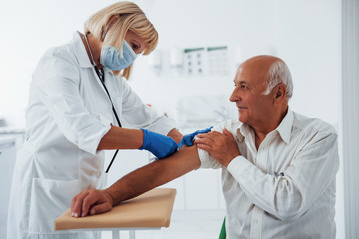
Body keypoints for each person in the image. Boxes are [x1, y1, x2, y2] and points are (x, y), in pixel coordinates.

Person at [71, 55, 339, 238]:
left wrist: (232, 159)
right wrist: (110, 195)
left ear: (278, 94)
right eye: (234, 86)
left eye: (243, 87)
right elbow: (166, 170)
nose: (233, 97)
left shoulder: (318, 136)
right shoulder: (229, 133)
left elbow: (287, 203)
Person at [7, 1, 184, 239]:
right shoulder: (59, 61)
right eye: (133, 45)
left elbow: (148, 118)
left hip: (86, 191)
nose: (131, 58)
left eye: (138, 53)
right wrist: (146, 140)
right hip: (46, 189)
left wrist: (182, 141)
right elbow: (82, 130)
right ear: (112, 23)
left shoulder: (110, 79)